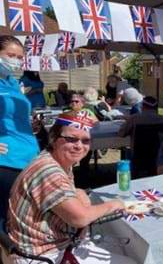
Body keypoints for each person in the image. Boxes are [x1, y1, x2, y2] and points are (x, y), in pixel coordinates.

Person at [7, 111, 136, 264]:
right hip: (41, 255)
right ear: (54, 139)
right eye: (71, 139)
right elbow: (80, 218)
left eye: (85, 141)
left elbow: (71, 194)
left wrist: (80, 196)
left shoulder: (54, 160)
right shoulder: (50, 172)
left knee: (120, 247)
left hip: (47, 243)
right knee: (129, 260)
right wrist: (114, 204)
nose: (79, 146)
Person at [0, 35, 39, 221]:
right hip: (7, 161)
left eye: (20, 57)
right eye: (11, 55)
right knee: (6, 219)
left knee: (25, 217)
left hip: (29, 156)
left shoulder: (13, 82)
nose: (16, 61)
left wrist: (29, 123)